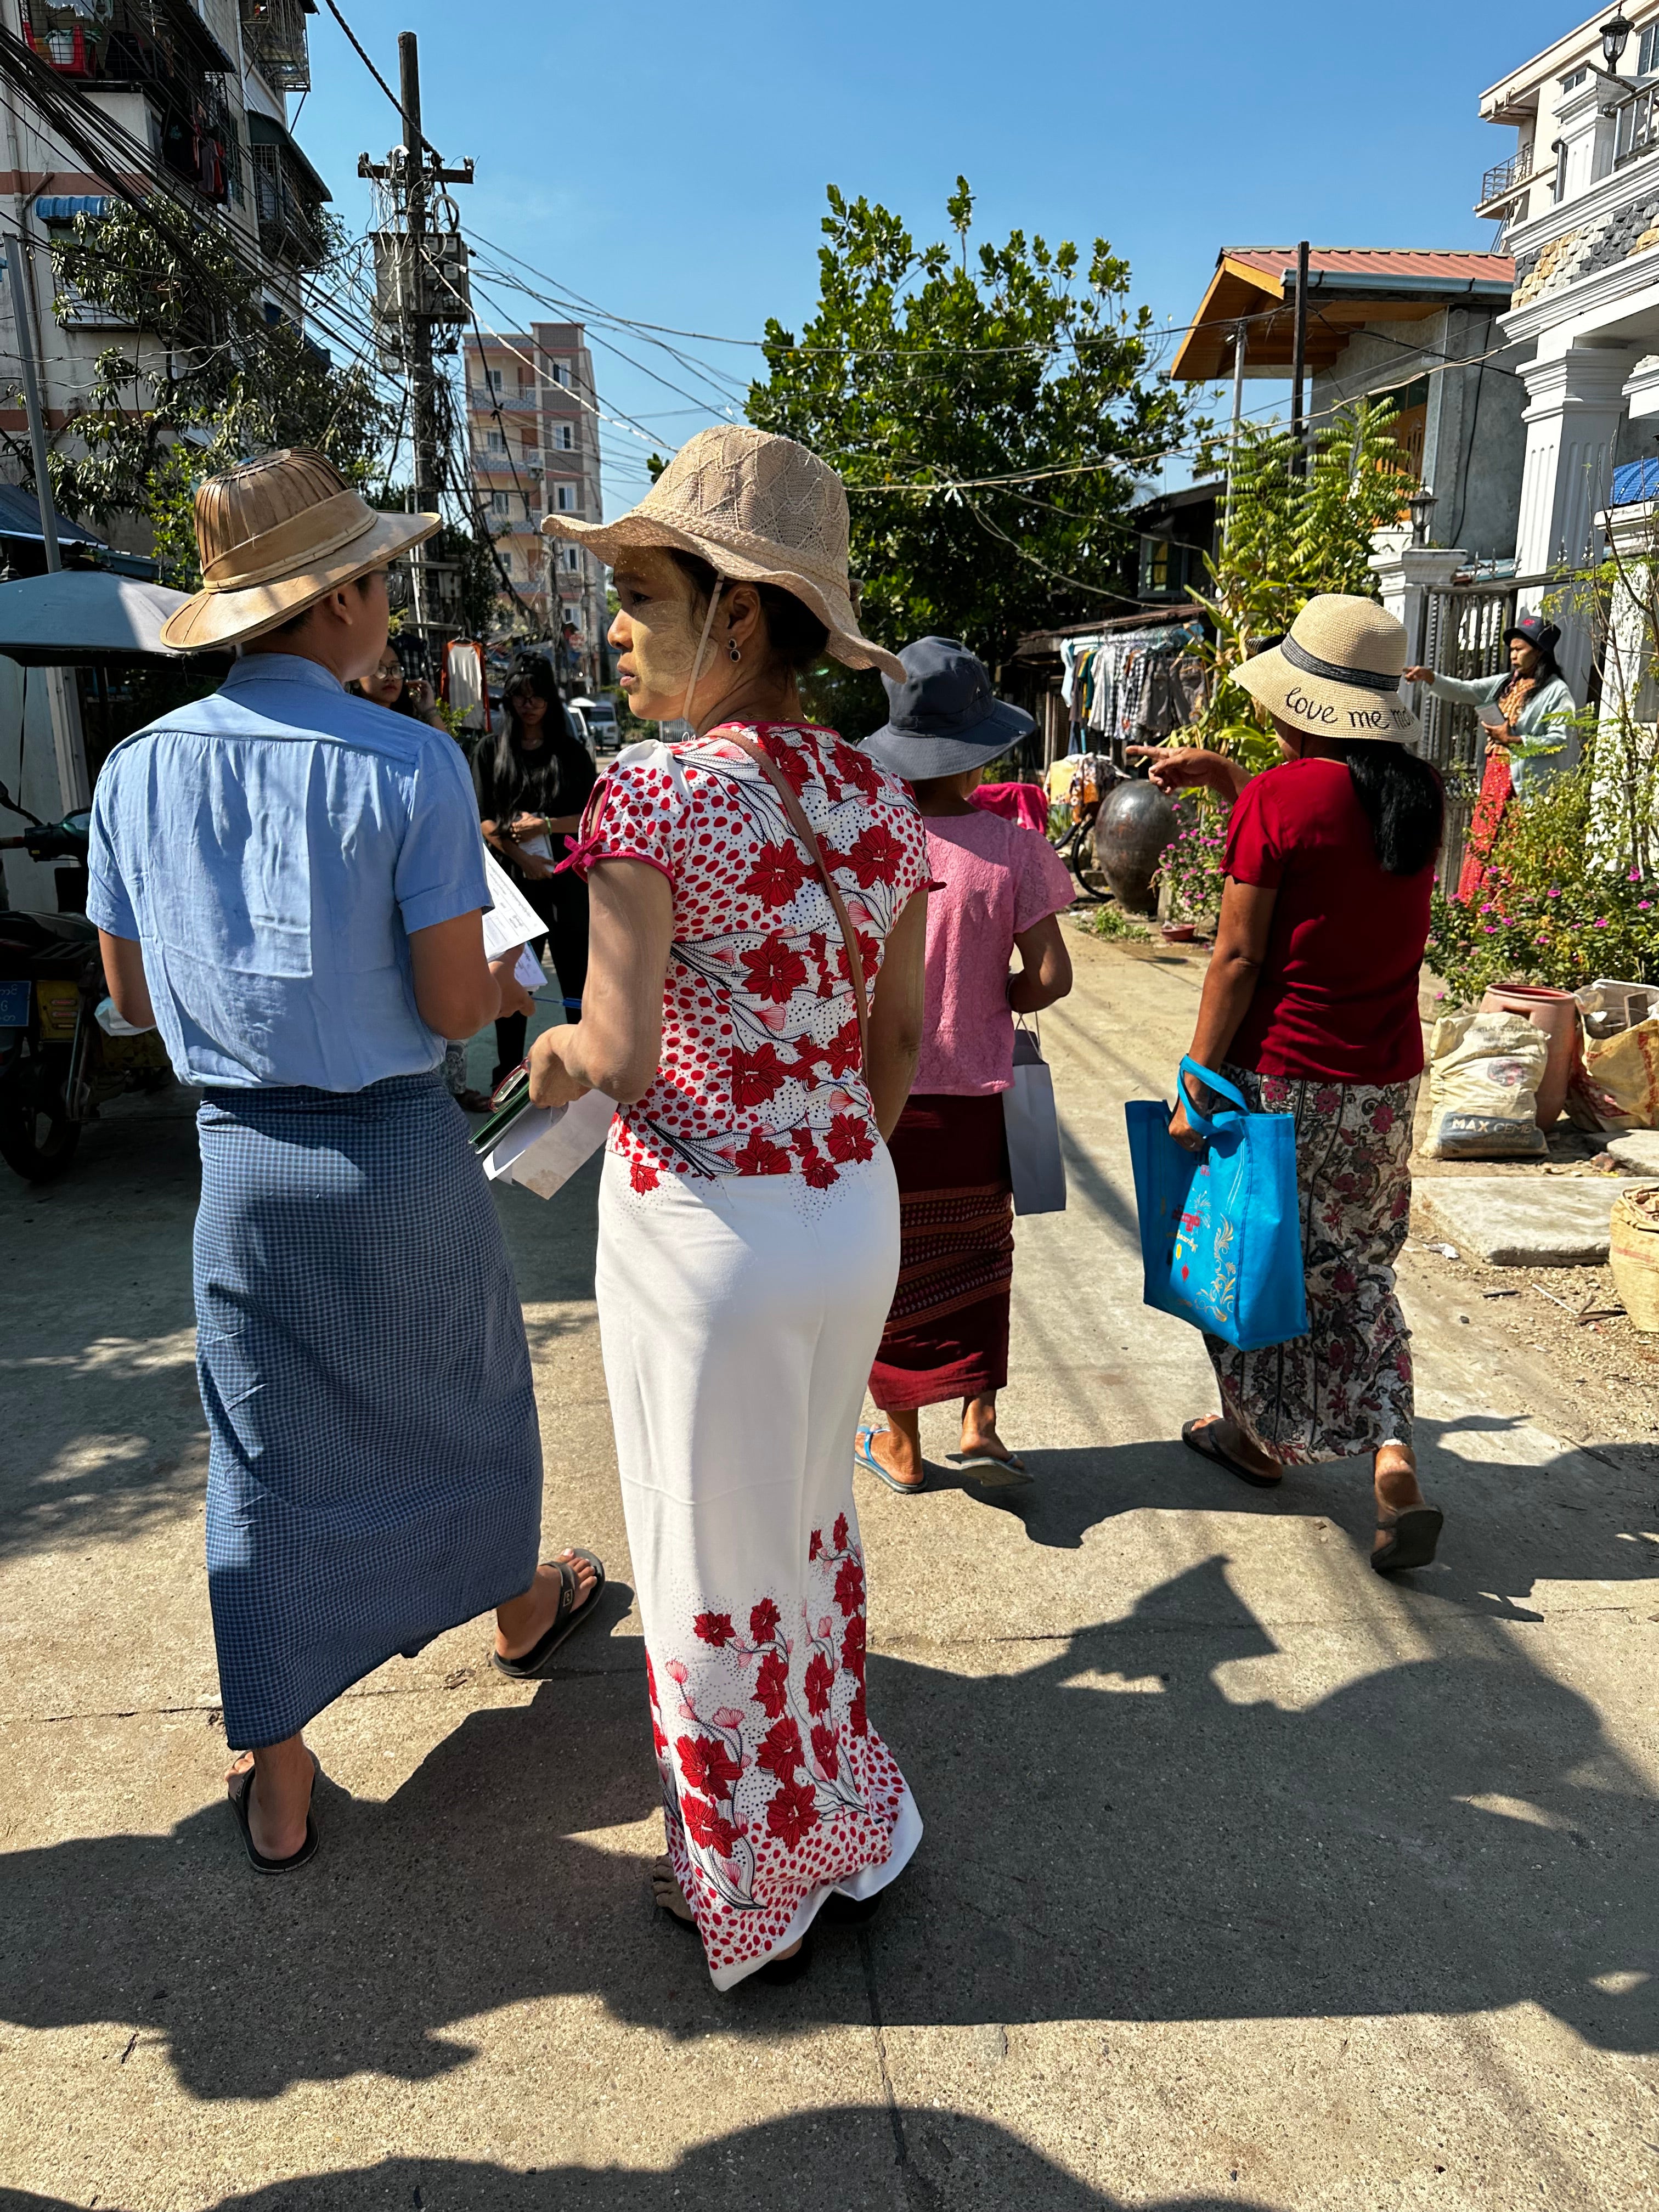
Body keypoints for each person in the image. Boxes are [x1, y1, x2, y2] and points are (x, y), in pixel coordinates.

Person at [87, 449, 603, 1875]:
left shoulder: (134, 774)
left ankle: (281, 1775)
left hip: (243, 1168)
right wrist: (511, 985)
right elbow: (450, 1005)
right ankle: (516, 1612)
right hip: (395, 1149)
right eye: (378, 577)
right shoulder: (412, 764)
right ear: (343, 601)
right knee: (468, 1397)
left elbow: (130, 1002)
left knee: (261, 1455)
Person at [528, 424, 931, 1988]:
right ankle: (839, 1824)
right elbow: (894, 1047)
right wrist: (827, 1161)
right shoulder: (878, 799)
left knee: (704, 1550)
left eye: (638, 596)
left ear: (741, 616)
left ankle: (744, 1882)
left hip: (707, 1231)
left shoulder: (647, 796)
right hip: (849, 1214)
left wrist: (542, 1048)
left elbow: (615, 1053)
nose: (613, 631)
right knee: (808, 1525)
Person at [1166, 594, 1446, 1576]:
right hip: (1379, 1083)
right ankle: (1391, 1452)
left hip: (1277, 1076)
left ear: (1294, 701)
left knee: (1246, 1261)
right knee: (1357, 1270)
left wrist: (1195, 1076)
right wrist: (1235, 788)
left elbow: (1237, 957)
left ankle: (1254, 1437)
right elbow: (1331, 853)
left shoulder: (1275, 800)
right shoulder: (1417, 793)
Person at [854, 637, 1075, 1492]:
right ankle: (979, 1420)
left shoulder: (874, 843)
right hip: (982, 1100)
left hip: (887, 1096)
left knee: (890, 1262)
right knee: (982, 1252)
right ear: (981, 747)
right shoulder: (1015, 849)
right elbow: (1051, 977)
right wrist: (993, 999)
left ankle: (901, 1442)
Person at [473, 659, 597, 1084]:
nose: (530, 705)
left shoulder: (570, 752)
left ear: (551, 699)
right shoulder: (491, 750)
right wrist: (522, 856)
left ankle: (580, 1071)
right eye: (522, 696)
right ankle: (506, 1075)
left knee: (576, 980)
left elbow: (591, 817)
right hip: (514, 884)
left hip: (566, 880)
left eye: (539, 696)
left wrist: (544, 826)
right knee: (513, 981)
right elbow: (485, 819)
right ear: (510, 699)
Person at [1404, 614, 1576, 901]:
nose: (1514, 656)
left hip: (1523, 787)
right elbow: (1466, 690)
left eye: (1520, 649)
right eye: (1512, 649)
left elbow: (1561, 740)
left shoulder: (1556, 692)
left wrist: (1515, 740)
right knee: (1484, 842)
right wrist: (1430, 677)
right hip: (1494, 780)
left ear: (1540, 651)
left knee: (1512, 848)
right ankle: (1474, 912)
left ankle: (1505, 919)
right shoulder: (1506, 683)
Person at [349, 640, 448, 730]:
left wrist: (430, 711)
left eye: (396, 668)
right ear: (355, 679)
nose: (391, 677)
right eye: (379, 669)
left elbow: (447, 748)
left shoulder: (407, 726)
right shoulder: (350, 725)